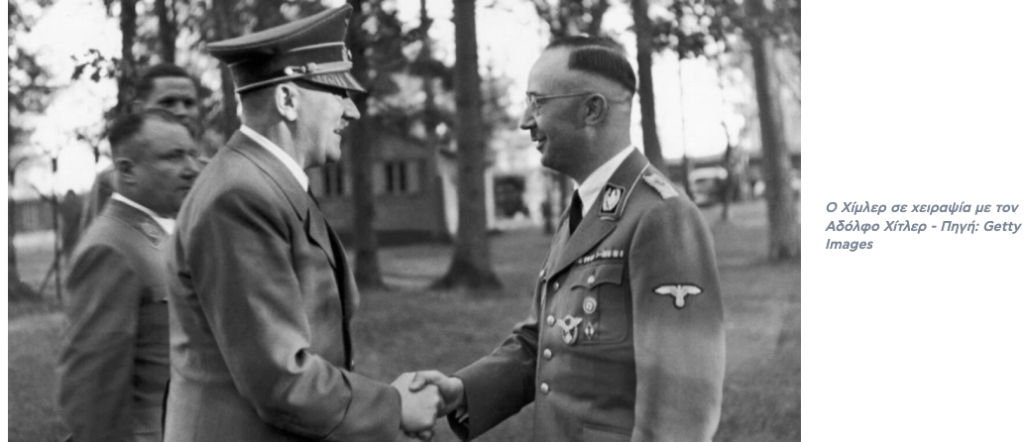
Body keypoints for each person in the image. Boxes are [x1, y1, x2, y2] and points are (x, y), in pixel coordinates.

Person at [412, 36, 726, 442]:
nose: (525, 121)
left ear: (591, 110)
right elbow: (544, 341)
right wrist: (462, 390)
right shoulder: (586, 208)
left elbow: (680, 411)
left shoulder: (661, 216)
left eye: (537, 102)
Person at [163, 6, 442, 442]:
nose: (352, 112)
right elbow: (279, 378)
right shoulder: (240, 197)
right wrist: (394, 407)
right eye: (338, 94)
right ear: (288, 100)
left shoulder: (264, 183)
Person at [57, 110, 201, 442]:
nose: (192, 168)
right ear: (126, 171)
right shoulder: (111, 248)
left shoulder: (158, 234)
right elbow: (92, 391)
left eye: (192, 154)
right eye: (174, 157)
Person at [79, 63, 203, 234]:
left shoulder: (216, 172)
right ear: (139, 109)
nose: (182, 111)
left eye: (189, 103)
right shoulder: (114, 180)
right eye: (168, 102)